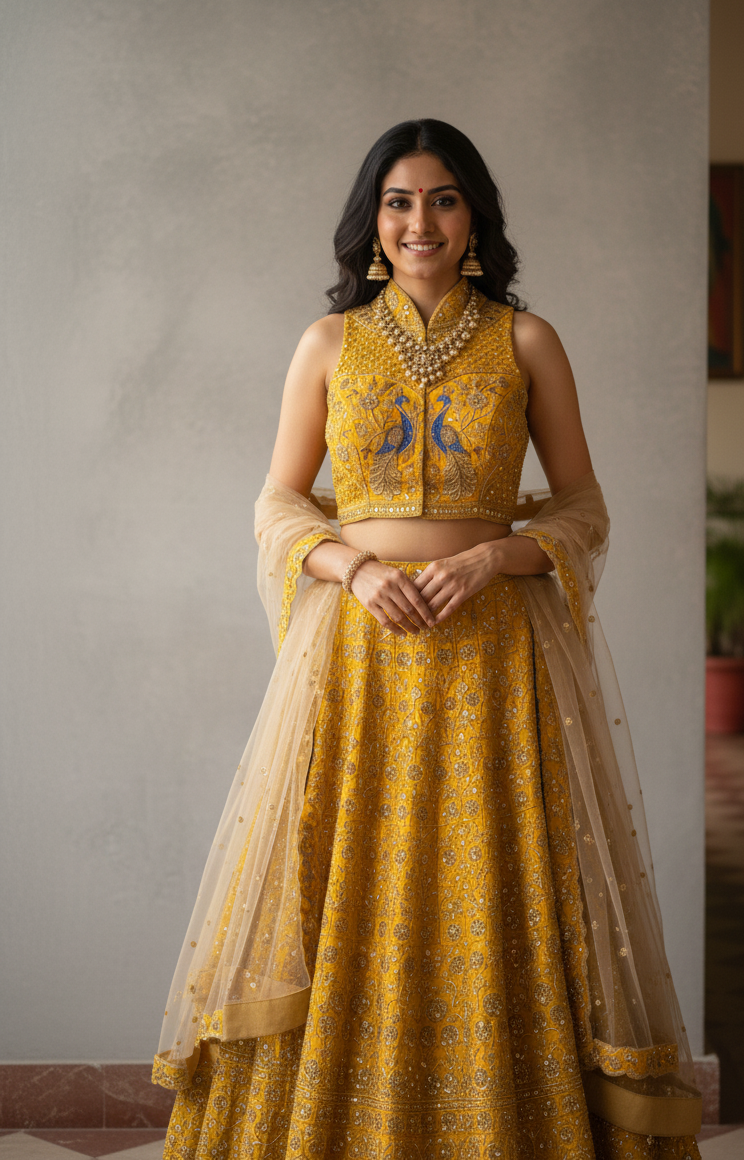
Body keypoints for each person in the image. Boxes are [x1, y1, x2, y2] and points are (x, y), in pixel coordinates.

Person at [153, 119, 703, 1160]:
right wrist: (352, 565)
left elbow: (583, 506)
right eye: (400, 201)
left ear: (475, 218)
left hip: (495, 657)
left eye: (443, 199)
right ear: (373, 221)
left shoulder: (526, 340)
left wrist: (496, 558)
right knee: (350, 880)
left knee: (497, 883)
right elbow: (278, 500)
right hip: (355, 660)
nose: (421, 221)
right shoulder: (327, 344)